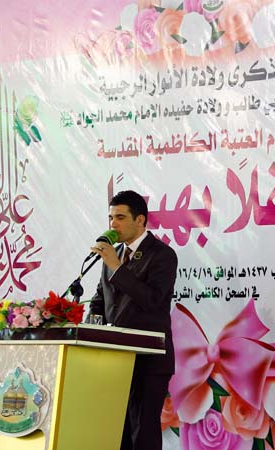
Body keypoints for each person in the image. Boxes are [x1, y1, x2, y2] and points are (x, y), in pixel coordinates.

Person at [89, 190, 177, 450]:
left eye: (120, 217)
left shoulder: (162, 254)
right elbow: (100, 299)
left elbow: (152, 300)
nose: (113, 224)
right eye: (110, 218)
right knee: (119, 433)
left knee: (143, 432)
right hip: (116, 358)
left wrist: (117, 267)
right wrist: (91, 326)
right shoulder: (113, 254)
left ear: (140, 220)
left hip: (149, 360)